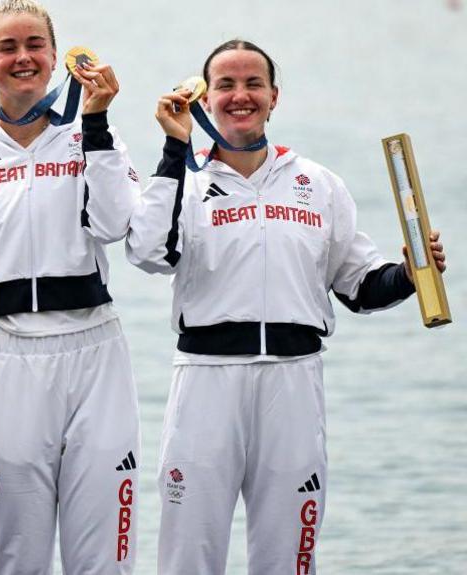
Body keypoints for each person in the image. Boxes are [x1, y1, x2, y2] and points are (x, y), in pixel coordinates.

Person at [126, 39, 447, 574]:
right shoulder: (185, 180)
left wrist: (411, 273)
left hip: (294, 383)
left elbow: (360, 285)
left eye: (253, 83)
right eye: (225, 85)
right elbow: (149, 254)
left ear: (275, 97)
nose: (240, 95)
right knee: (189, 554)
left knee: (290, 557)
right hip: (208, 381)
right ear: (205, 100)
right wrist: (172, 149)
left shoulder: (317, 184)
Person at [0, 1, 143, 573]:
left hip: (94, 348)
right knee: (18, 556)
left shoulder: (92, 138)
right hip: (3, 353)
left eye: (34, 46)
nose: (22, 58)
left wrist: (96, 121)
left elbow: (118, 225)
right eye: (7, 48)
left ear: (55, 56)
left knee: (104, 557)